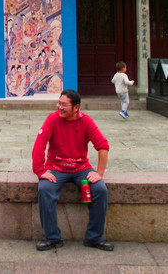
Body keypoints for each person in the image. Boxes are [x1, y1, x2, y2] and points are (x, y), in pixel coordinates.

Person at [32, 89, 114, 252]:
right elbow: (40, 144)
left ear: (76, 108)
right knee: (45, 189)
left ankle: (94, 237)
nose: (59, 107)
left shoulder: (86, 121)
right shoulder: (52, 119)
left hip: (81, 167)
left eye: (64, 104)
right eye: (59, 103)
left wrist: (99, 173)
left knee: (100, 190)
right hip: (55, 167)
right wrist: (40, 170)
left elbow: (103, 146)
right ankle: (51, 237)